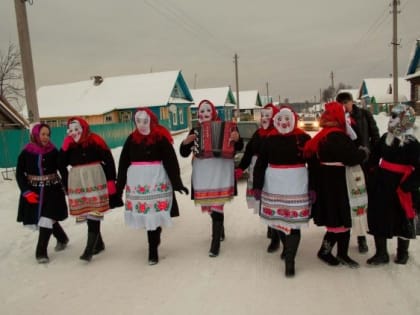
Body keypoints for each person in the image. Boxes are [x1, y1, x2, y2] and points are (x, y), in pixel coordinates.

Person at [115, 108, 188, 265]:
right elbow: (122, 164)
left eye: (145, 121)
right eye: (138, 121)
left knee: (153, 215)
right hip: (138, 184)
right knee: (148, 216)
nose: (141, 125)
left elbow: (170, 160)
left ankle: (152, 250)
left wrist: (177, 182)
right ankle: (154, 240)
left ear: (152, 121)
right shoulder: (131, 140)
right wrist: (118, 188)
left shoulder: (160, 139)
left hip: (156, 181)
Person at [304, 102, 369, 269]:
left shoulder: (324, 134)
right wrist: (363, 152)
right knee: (341, 218)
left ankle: (330, 252)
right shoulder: (337, 136)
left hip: (328, 181)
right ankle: (337, 253)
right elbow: (350, 158)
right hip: (338, 182)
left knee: (337, 219)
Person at [253, 105, 312, 277]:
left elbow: (314, 165)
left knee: (294, 223)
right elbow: (261, 164)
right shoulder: (269, 139)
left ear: (294, 119)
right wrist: (257, 185)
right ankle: (287, 248)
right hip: (275, 186)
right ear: (275, 121)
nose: (284, 123)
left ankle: (290, 261)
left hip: (297, 185)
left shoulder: (303, 137)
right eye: (280, 119)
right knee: (278, 220)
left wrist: (313, 187)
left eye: (287, 119)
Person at [180, 99, 243, 257]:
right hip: (203, 173)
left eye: (208, 111)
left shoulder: (229, 127)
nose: (205, 114)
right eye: (202, 111)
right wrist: (186, 142)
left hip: (221, 171)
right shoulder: (195, 130)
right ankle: (220, 229)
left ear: (214, 112)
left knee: (217, 206)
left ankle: (215, 244)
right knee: (210, 205)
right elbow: (184, 153)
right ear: (198, 114)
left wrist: (237, 139)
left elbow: (239, 147)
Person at [59, 117, 122, 262]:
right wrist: (64, 147)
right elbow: (60, 164)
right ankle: (98, 243)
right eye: (71, 130)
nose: (74, 133)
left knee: (94, 211)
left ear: (83, 127)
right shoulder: (70, 144)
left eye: (77, 129)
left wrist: (112, 180)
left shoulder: (95, 140)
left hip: (95, 178)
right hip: (78, 181)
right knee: (87, 212)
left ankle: (89, 249)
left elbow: (109, 159)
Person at [366, 104, 420, 266]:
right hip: (382, 185)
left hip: (402, 187)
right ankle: (381, 253)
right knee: (379, 216)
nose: (392, 120)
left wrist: (408, 185)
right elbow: (374, 157)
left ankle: (402, 253)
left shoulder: (412, 143)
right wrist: (372, 173)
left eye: (396, 117)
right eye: (392, 116)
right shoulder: (385, 138)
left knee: (402, 218)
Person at [16, 123, 69, 263]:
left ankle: (41, 252)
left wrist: (67, 185)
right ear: (35, 135)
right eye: (43, 134)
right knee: (45, 219)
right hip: (34, 192)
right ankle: (62, 238)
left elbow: (62, 169)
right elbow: (19, 174)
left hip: (53, 191)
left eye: (48, 134)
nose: (46, 137)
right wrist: (26, 192)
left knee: (46, 218)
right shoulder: (26, 152)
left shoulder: (53, 151)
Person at [235, 103, 284, 254]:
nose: (264, 119)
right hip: (257, 171)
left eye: (268, 116)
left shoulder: (279, 134)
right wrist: (240, 168)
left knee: (272, 202)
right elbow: (248, 152)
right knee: (262, 201)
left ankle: (276, 237)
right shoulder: (258, 134)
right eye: (263, 116)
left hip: (273, 172)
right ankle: (271, 228)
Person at [336, 92, 380, 253]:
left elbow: (375, 136)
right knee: (352, 199)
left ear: (352, 102)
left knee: (363, 199)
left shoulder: (364, 114)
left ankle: (363, 235)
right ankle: (351, 233)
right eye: (341, 104)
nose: (344, 107)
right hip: (348, 163)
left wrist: (374, 158)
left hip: (365, 162)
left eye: (346, 103)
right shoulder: (339, 118)